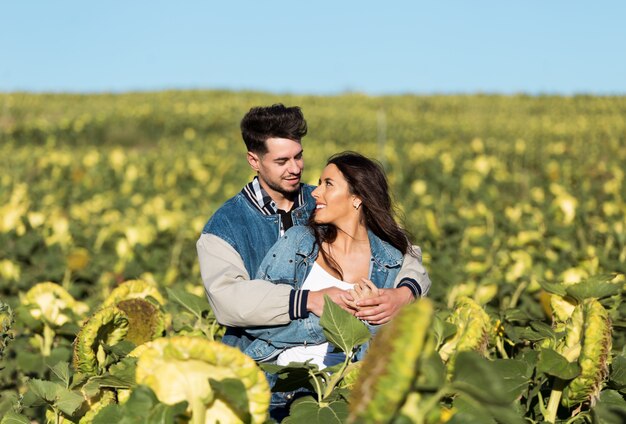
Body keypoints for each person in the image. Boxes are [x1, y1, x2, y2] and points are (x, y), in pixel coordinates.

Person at [196, 104, 430, 355]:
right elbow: (227, 300)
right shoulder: (225, 226)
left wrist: (405, 293)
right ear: (254, 160)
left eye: (298, 156)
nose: (295, 168)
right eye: (282, 161)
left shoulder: (325, 202)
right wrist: (309, 299)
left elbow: (400, 251)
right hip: (259, 363)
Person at [243, 152, 423, 420]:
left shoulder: (391, 260)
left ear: (357, 198)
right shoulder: (299, 243)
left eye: (328, 184)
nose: (315, 192)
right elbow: (258, 319)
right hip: (286, 391)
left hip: (354, 393)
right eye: (319, 183)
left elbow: (396, 340)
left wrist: (379, 317)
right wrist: (333, 317)